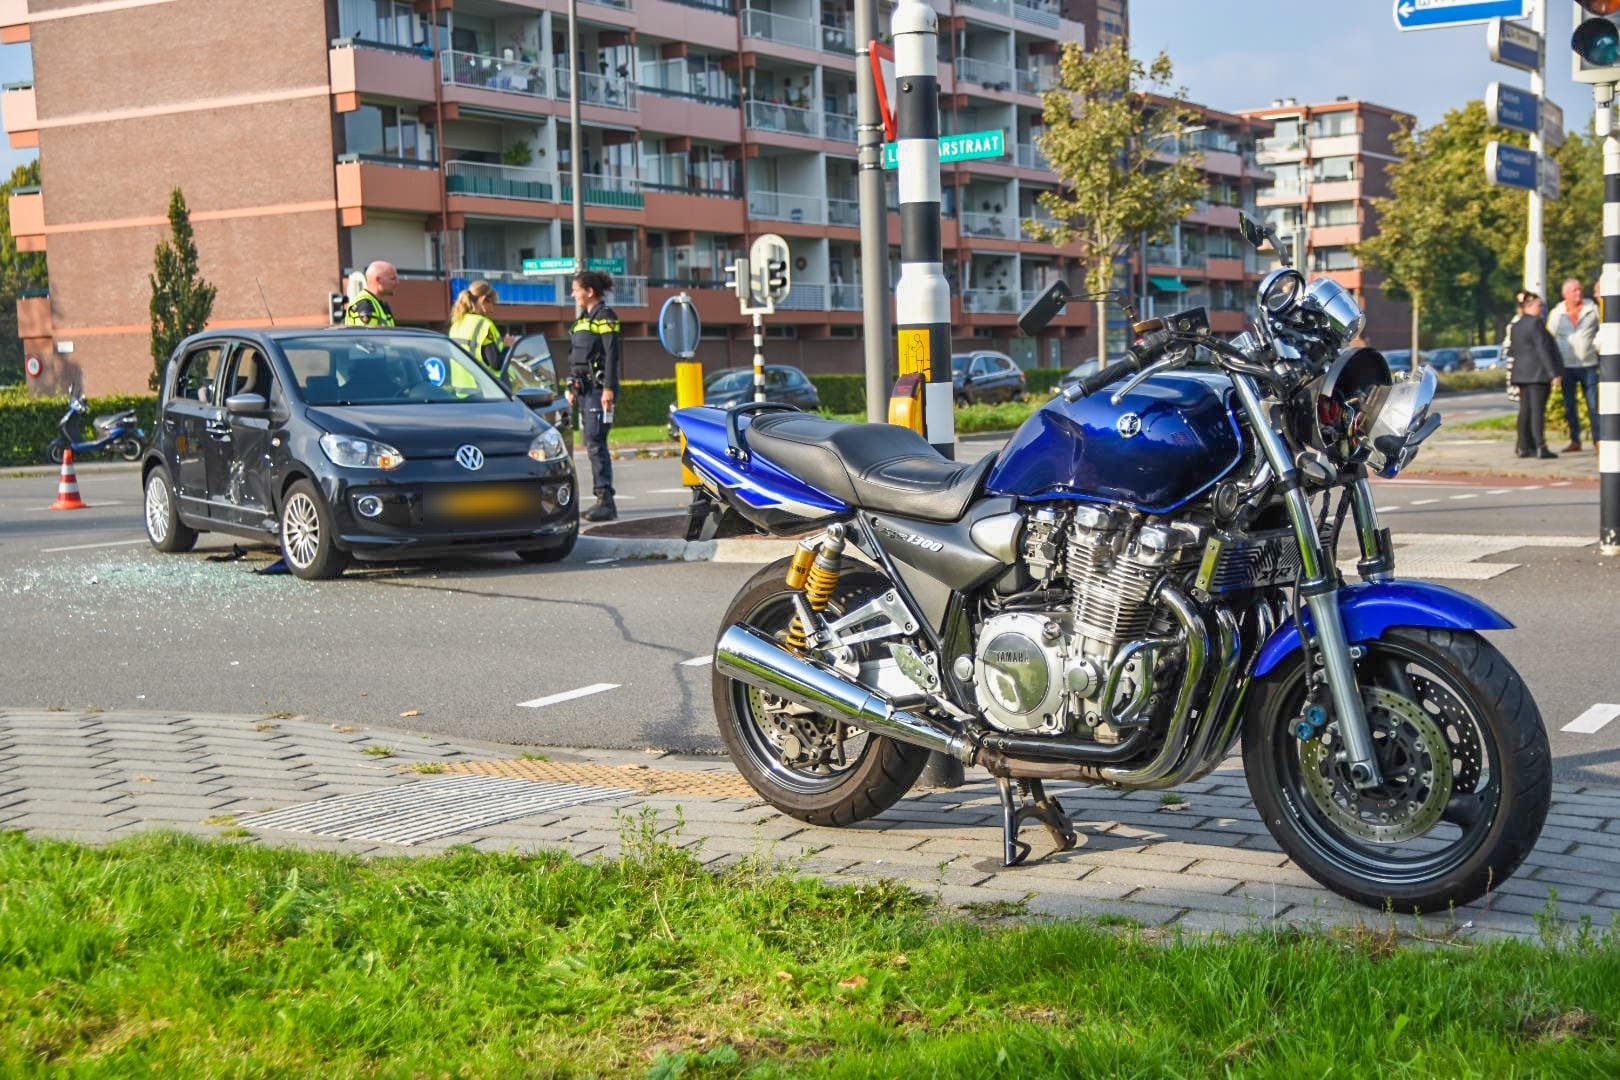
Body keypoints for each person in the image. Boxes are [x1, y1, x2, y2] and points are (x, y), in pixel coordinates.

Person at [567, 270, 621, 522]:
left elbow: (612, 354)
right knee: (591, 443)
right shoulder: (582, 320)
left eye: (576, 289)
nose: (573, 294)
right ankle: (602, 498)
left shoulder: (605, 317)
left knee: (596, 442)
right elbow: (576, 356)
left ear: (589, 292)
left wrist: (609, 388)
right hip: (585, 391)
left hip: (600, 391)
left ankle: (605, 502)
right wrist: (571, 388)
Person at [1508, 290, 1563, 460]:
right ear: (1529, 306)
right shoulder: (1536, 324)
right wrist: (1553, 373)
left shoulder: (1516, 325)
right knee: (1537, 411)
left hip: (1521, 373)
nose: (1542, 308)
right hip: (1538, 374)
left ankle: (1523, 446)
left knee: (1525, 411)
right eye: (1540, 305)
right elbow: (1542, 349)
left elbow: (1513, 350)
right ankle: (1541, 446)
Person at [1546, 277, 1599, 452]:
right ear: (1565, 294)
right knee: (1570, 405)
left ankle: (1597, 440)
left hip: (1589, 364)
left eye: (1580, 289)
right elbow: (1549, 338)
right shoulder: (1557, 313)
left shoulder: (1592, 309)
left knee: (1593, 405)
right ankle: (1575, 440)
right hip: (1566, 366)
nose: (1579, 293)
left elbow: (1603, 330)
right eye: (1574, 290)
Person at [448, 279, 504, 373]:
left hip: (458, 385)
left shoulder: (456, 324)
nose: (492, 310)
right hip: (482, 385)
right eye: (492, 304)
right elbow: (496, 364)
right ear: (483, 300)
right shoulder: (484, 325)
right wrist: (507, 346)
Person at [345, 261, 398, 327]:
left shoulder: (381, 304)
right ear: (378, 280)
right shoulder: (365, 305)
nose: (397, 283)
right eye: (393, 279)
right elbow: (368, 335)